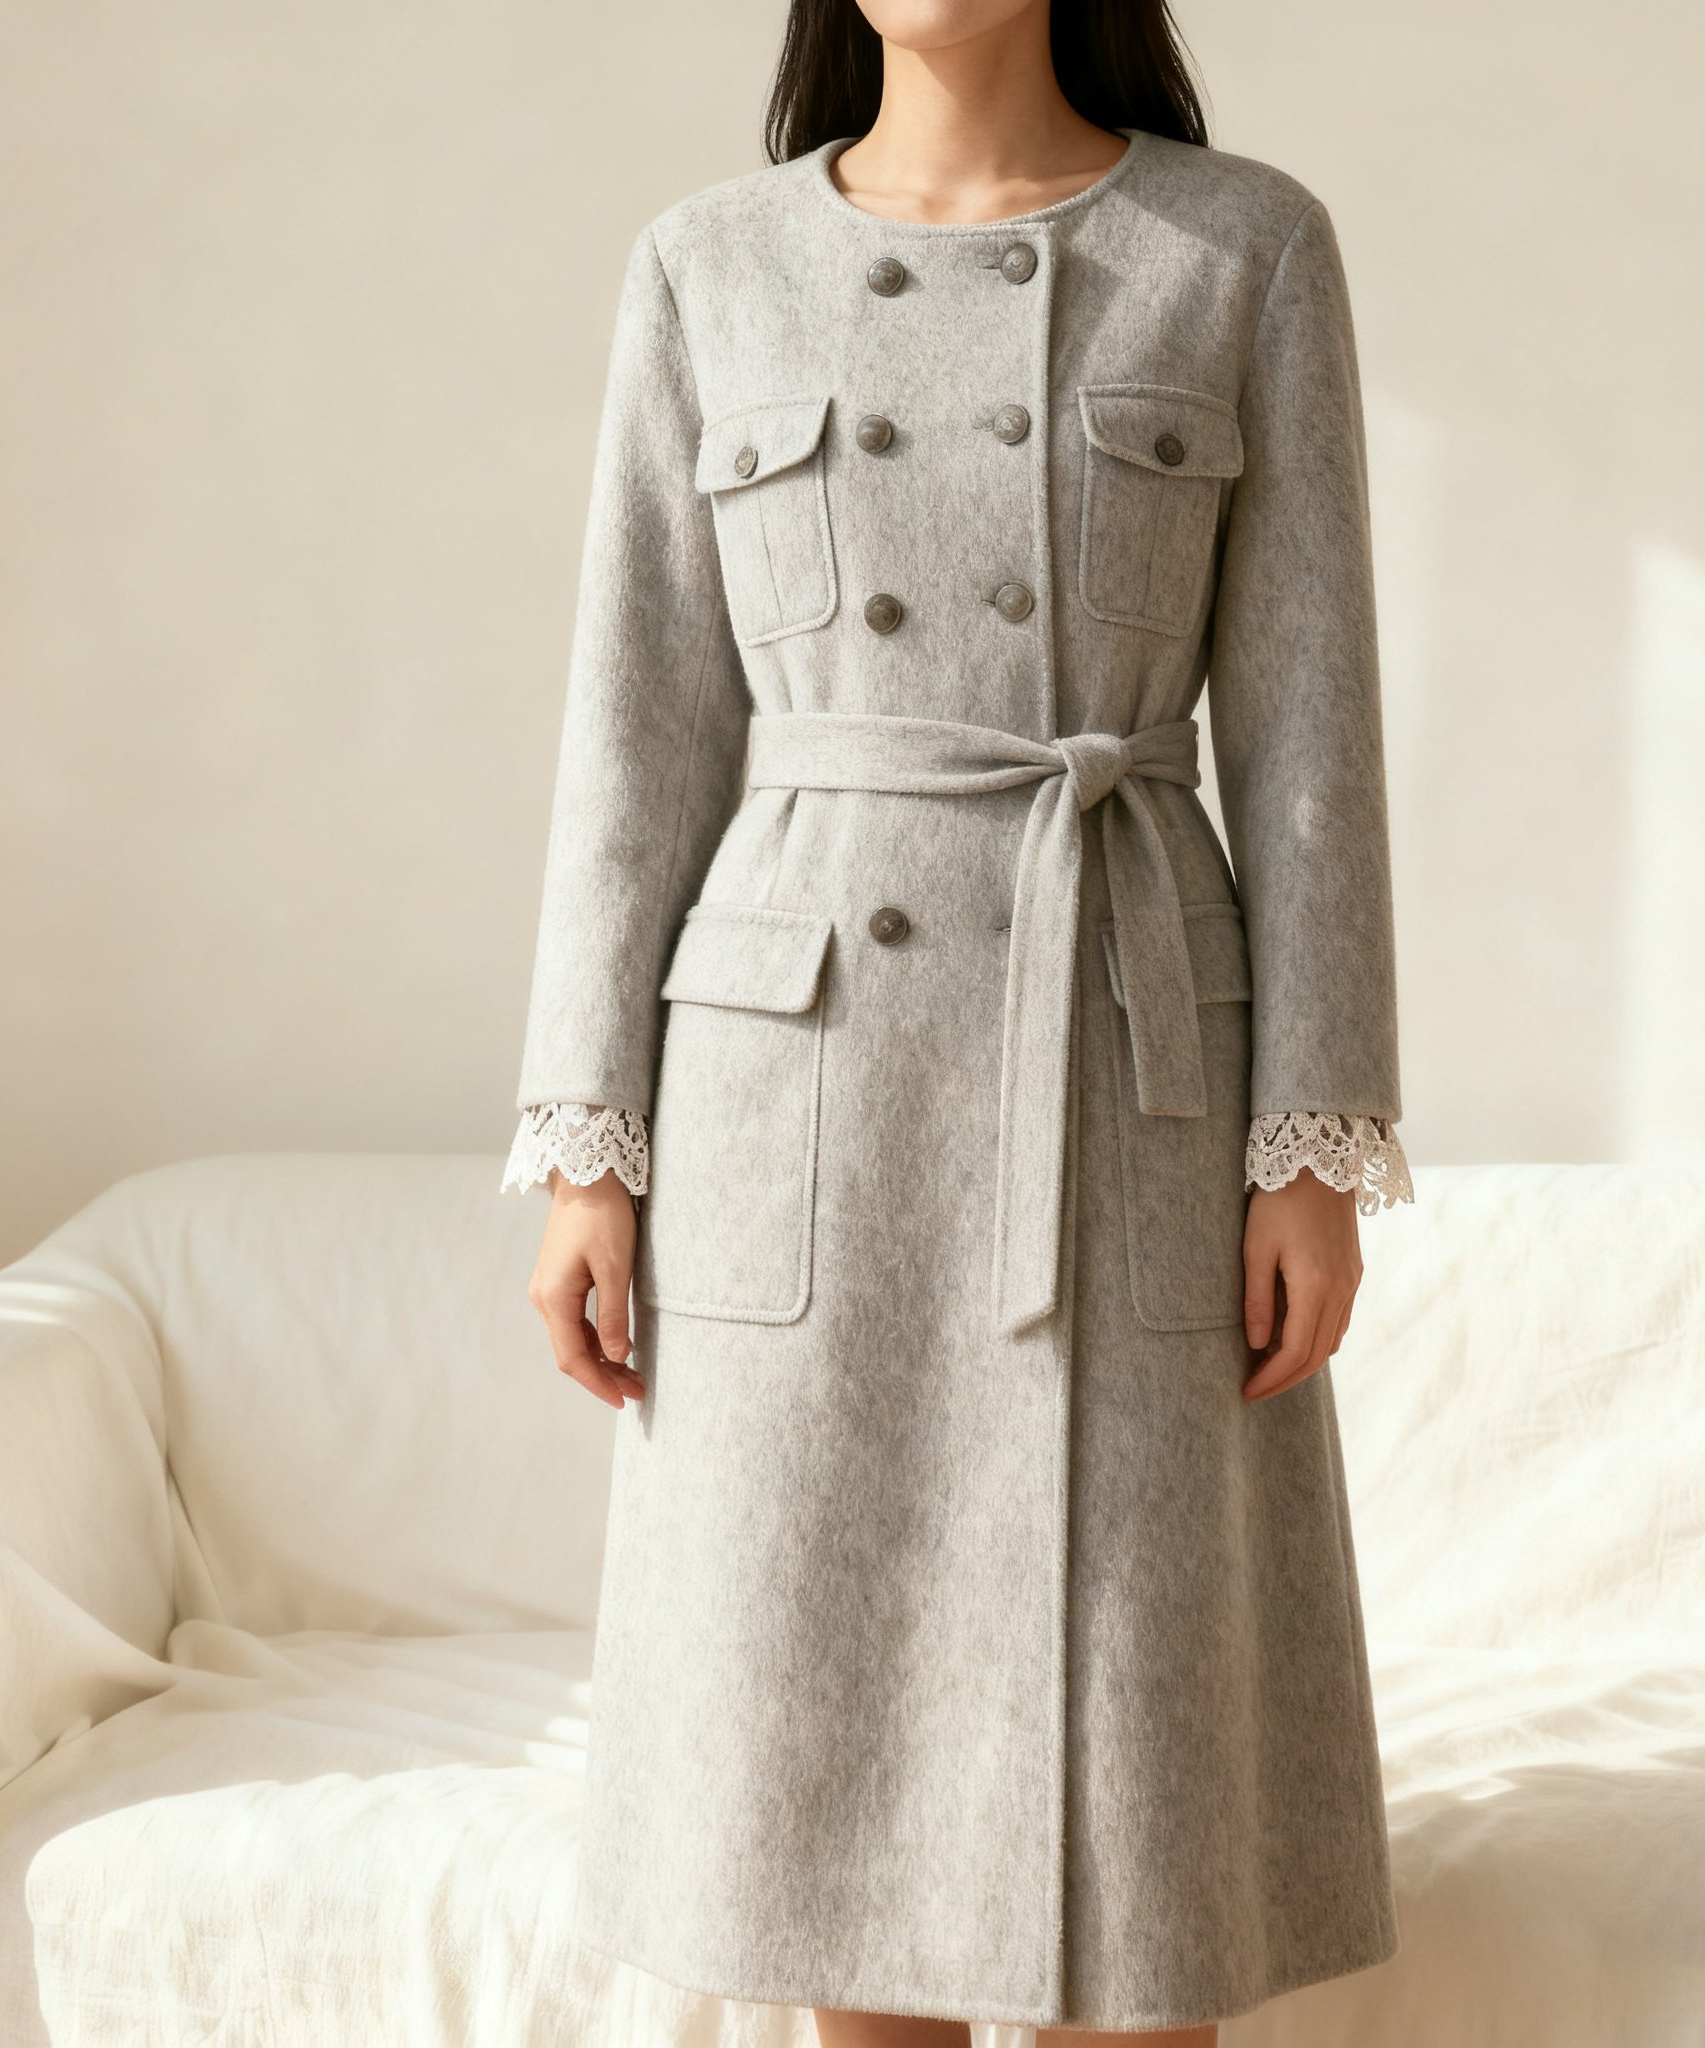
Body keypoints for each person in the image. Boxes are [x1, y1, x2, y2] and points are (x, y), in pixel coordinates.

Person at [503, 1, 1415, 2040]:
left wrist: (1313, 1136)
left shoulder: (1240, 248)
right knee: (841, 1822)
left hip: (1129, 1063)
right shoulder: (710, 267)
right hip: (797, 1090)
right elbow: (638, 728)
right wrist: (586, 1143)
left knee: (1142, 1844)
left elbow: (1307, 733)